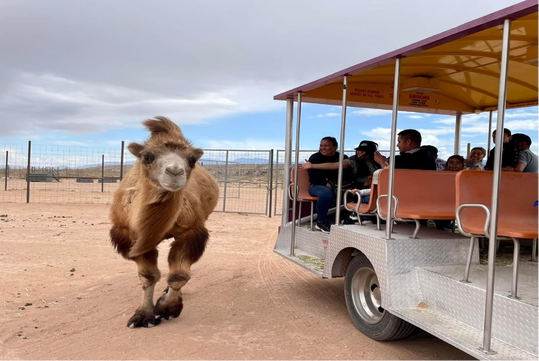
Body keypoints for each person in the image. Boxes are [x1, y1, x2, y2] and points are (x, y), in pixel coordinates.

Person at [305, 136, 350, 233]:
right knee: (326, 193)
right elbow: (313, 176)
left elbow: (346, 174)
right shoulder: (315, 158)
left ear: (335, 147)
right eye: (321, 145)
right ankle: (321, 222)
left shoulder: (343, 157)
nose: (322, 148)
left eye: (326, 146)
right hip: (317, 186)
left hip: (338, 185)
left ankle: (347, 218)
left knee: (353, 191)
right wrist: (327, 184)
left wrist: (336, 184)